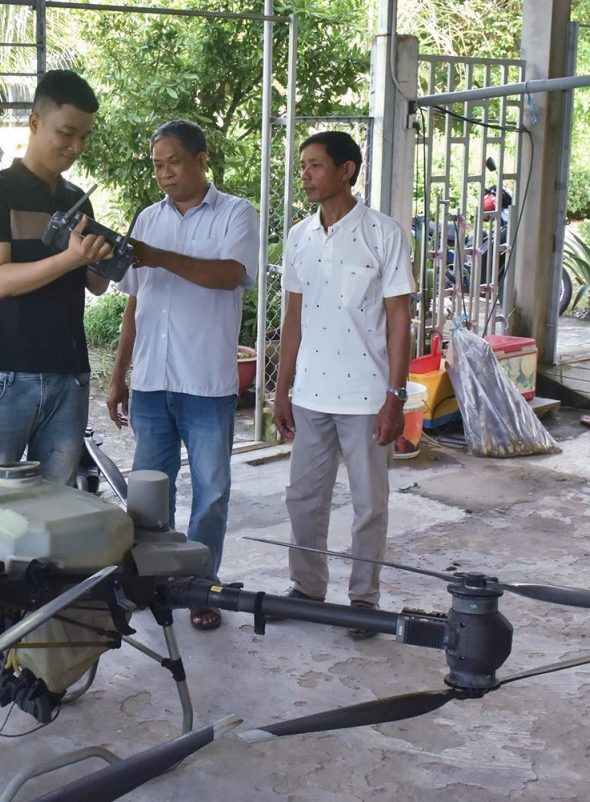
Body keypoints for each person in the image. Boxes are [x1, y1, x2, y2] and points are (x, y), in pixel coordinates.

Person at [107, 120, 259, 631]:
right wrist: (118, 375)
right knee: (151, 493)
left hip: (207, 383)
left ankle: (202, 586)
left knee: (211, 492)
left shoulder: (237, 213)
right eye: (157, 165)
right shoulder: (148, 218)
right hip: (150, 381)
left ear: (201, 159)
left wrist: (159, 257)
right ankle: (155, 583)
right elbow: (135, 299)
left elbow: (228, 275)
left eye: (174, 162)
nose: (165, 174)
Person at [271, 131, 415, 638]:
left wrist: (395, 397)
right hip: (310, 393)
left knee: (368, 503)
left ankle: (363, 600)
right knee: (303, 498)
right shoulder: (298, 236)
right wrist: (281, 389)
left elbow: (400, 319)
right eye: (303, 165)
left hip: (367, 397)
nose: (305, 175)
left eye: (314, 165)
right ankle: (306, 588)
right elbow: (294, 319)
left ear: (347, 169)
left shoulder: (384, 234)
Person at [0, 70, 114, 486]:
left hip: (68, 373)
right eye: (67, 133)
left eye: (84, 136)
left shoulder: (76, 198)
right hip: (5, 374)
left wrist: (102, 258)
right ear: (34, 123)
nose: (76, 147)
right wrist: (69, 259)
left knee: (56, 505)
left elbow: (95, 285)